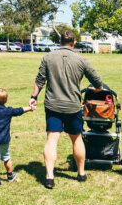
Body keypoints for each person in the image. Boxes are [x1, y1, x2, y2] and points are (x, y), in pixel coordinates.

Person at [28, 29, 104, 189]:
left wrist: (33, 97)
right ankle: (81, 173)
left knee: (52, 139)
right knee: (76, 139)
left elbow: (39, 80)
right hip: (73, 106)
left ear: (59, 41)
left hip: (53, 105)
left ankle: (49, 176)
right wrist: (97, 89)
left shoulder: (48, 57)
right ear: (74, 43)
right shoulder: (81, 60)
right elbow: (98, 82)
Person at [0, 88, 33, 187]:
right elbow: (19, 110)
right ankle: (9, 175)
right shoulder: (8, 111)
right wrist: (30, 108)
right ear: (6, 100)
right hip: (4, 140)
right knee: (6, 158)